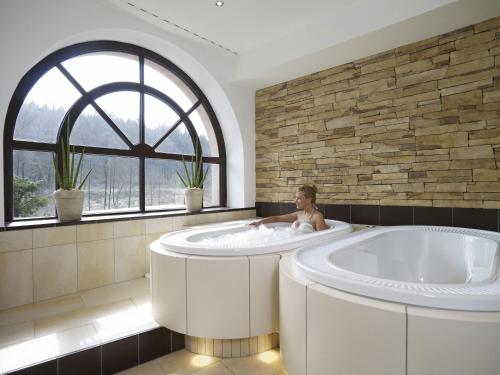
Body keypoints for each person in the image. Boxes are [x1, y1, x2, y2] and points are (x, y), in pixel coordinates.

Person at [251, 184, 328, 231]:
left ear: (309, 199)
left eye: (298, 198)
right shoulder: (298, 214)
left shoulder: (317, 217)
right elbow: (277, 218)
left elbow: (322, 238)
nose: (295, 201)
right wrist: (258, 222)